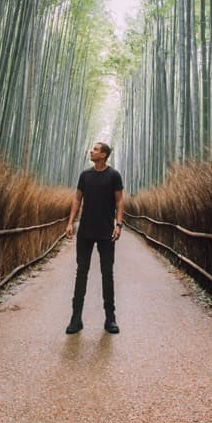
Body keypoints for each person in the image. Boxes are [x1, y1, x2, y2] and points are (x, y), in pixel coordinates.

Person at [65, 141, 124, 334]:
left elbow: (119, 200)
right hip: (85, 232)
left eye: (96, 149)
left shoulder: (114, 175)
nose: (92, 151)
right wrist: (70, 222)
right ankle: (75, 319)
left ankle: (110, 319)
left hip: (106, 232)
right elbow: (77, 198)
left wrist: (118, 224)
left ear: (104, 155)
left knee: (107, 273)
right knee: (81, 272)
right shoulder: (85, 175)